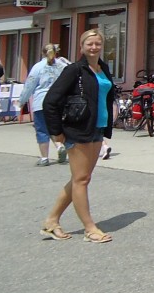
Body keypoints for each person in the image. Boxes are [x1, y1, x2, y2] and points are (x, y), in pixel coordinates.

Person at [40, 29, 116, 243]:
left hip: (98, 127)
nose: (94, 47)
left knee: (80, 178)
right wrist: (56, 132)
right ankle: (90, 228)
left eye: (98, 43)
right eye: (89, 44)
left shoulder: (104, 68)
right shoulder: (74, 70)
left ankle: (51, 221)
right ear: (81, 46)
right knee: (81, 180)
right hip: (78, 129)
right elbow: (51, 101)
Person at [19, 44, 71, 165]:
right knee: (57, 128)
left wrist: (22, 101)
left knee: (42, 130)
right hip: (59, 101)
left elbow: (29, 85)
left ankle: (44, 158)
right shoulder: (62, 66)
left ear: (42, 53)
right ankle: (59, 146)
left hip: (41, 102)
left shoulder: (38, 67)